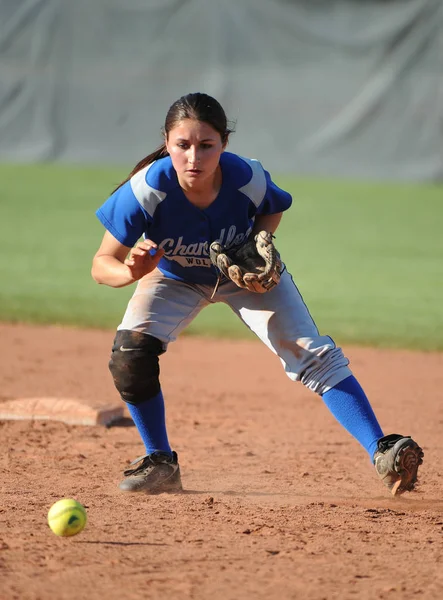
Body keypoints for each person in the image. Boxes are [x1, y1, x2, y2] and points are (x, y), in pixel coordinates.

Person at [91, 92, 423, 497]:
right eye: (182, 145)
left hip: (242, 276)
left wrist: (258, 242)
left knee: (311, 354)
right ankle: (159, 462)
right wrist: (129, 271)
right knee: (130, 354)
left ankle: (382, 450)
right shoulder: (145, 189)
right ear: (167, 142)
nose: (194, 157)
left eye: (206, 145)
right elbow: (101, 263)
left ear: (224, 143)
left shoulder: (245, 177)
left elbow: (273, 207)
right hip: (173, 277)